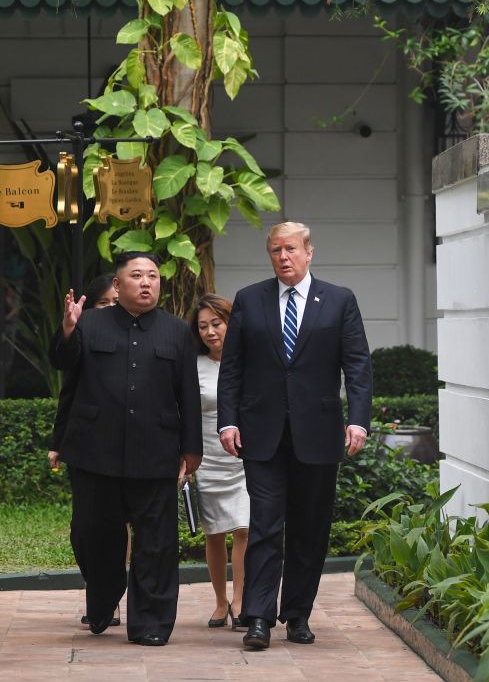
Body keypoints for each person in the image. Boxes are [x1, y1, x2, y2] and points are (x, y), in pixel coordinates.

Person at [217, 222, 372, 650]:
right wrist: (227, 421)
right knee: (265, 524)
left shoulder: (339, 300)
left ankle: (298, 614)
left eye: (290, 249)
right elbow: (232, 367)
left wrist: (358, 421)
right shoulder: (250, 299)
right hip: (261, 434)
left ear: (308, 252)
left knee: (310, 528)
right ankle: (259, 618)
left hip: (319, 434)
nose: (282, 257)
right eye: (274, 250)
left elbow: (357, 365)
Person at [49, 252, 201, 647]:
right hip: (94, 454)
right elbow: (63, 365)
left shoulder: (176, 331)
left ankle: (150, 624)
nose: (146, 282)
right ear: (117, 286)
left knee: (156, 543)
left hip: (156, 452)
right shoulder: (89, 323)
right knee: (93, 536)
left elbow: (188, 392)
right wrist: (67, 329)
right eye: (136, 275)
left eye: (152, 275)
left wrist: (192, 448)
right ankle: (102, 601)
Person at [47, 273, 118, 627]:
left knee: (118, 528)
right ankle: (100, 586)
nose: (109, 310)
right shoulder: (84, 331)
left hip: (128, 448)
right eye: (103, 303)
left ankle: (106, 598)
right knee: (84, 528)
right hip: (87, 445)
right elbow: (67, 382)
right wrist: (58, 443)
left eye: (115, 304)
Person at [187, 294, 249, 632]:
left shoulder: (249, 361)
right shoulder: (192, 365)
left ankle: (240, 600)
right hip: (207, 459)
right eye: (203, 326)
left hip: (245, 459)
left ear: (231, 322)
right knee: (214, 534)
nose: (211, 332)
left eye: (217, 323)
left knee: (245, 529)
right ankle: (220, 601)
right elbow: (185, 415)